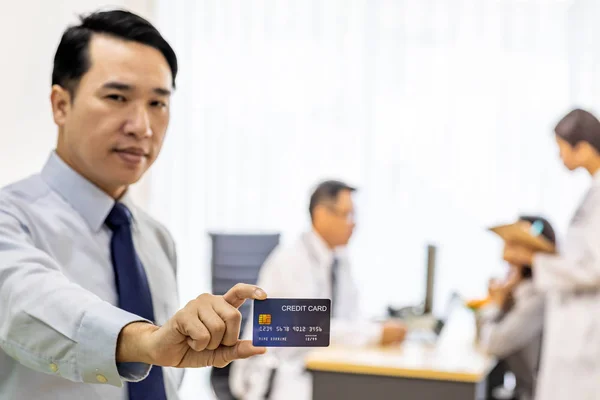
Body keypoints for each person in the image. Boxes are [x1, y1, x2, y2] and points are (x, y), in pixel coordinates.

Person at [0, 9, 266, 400]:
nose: (142, 127)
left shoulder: (156, 239)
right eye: (117, 97)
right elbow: (30, 303)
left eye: (158, 103)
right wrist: (148, 342)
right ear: (61, 104)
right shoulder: (11, 219)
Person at [230, 180, 407, 400]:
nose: (354, 224)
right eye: (347, 215)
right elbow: (311, 329)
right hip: (276, 373)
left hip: (315, 367)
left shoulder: (339, 260)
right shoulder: (291, 261)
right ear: (322, 214)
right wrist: (375, 333)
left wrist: (374, 328)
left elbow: (350, 316)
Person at [503, 108, 600, 400]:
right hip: (575, 330)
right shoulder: (592, 193)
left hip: (585, 337)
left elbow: (594, 269)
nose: (560, 158)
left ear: (582, 148)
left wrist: (534, 259)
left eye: (561, 149)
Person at [480, 216, 555, 400]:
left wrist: (496, 304)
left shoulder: (538, 297)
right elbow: (482, 335)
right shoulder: (518, 293)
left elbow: (493, 343)